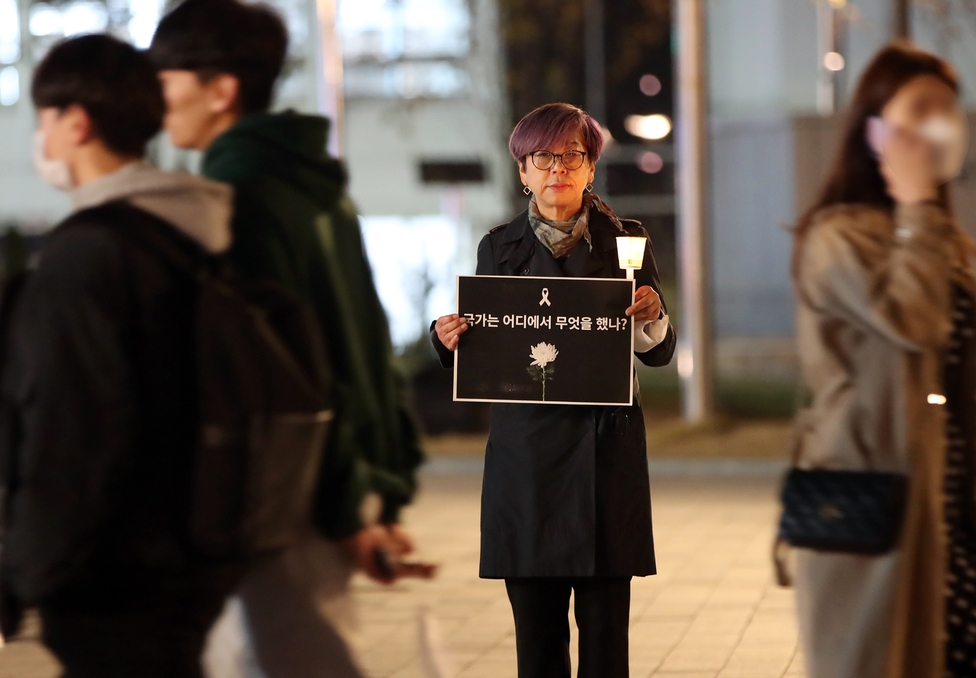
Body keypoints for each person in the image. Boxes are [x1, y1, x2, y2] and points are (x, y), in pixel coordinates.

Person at [148, 1, 428, 675]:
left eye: (165, 78)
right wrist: (380, 491)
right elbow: (368, 344)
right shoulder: (320, 190)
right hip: (332, 489)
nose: (156, 98)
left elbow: (284, 372)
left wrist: (346, 508)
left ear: (220, 89)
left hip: (282, 495)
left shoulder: (233, 196)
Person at [0, 34, 237, 677]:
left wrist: (29, 569)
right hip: (192, 549)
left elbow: (71, 427)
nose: (41, 138)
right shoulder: (203, 232)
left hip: (113, 572)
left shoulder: (87, 255)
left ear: (75, 123)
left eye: (43, 120)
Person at [788, 41, 976, 678]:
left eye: (950, 108)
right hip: (878, 511)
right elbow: (912, 322)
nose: (939, 124)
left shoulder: (937, 237)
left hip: (951, 512)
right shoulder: (839, 237)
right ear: (874, 127)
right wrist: (918, 206)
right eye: (920, 108)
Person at [431, 102, 676, 678]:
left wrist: (649, 312)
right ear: (522, 171)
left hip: (604, 459)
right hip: (528, 467)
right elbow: (488, 344)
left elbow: (658, 351)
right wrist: (447, 339)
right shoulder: (498, 248)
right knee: (536, 647)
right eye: (543, 157)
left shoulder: (628, 242)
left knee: (605, 646)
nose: (557, 169)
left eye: (572, 155)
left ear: (591, 167)